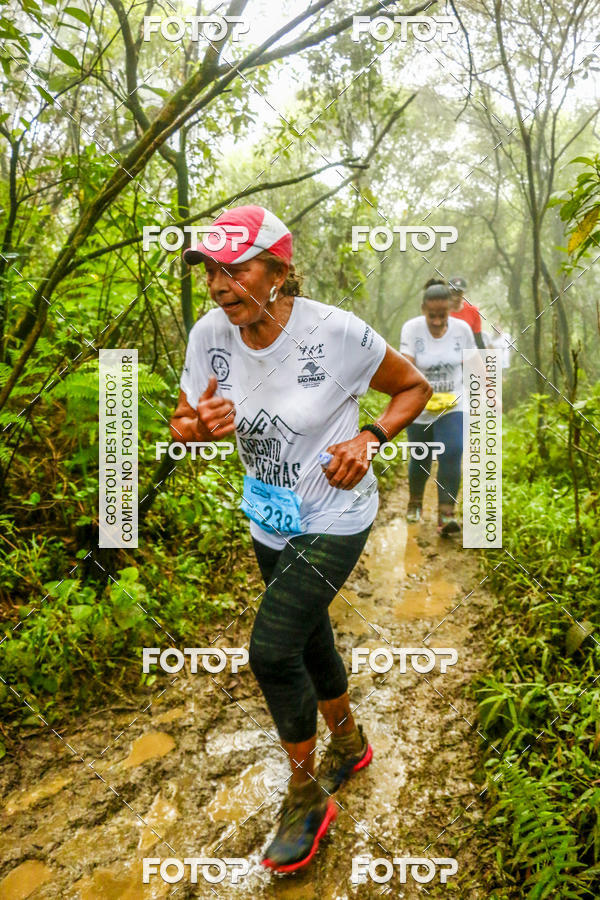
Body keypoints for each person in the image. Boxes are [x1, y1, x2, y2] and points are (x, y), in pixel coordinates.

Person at [169, 205, 431, 873]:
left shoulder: (336, 333)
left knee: (272, 648)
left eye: (239, 268)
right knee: (310, 636)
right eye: (213, 273)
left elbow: (413, 387)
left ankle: (305, 793)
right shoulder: (210, 334)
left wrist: (369, 438)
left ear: (281, 271)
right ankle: (349, 743)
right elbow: (182, 418)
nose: (223, 285)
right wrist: (197, 426)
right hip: (268, 516)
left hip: (335, 514)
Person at [400, 279, 476, 535]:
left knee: (452, 451)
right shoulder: (411, 329)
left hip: (453, 403)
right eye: (431, 315)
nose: (436, 320)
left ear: (449, 311)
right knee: (421, 456)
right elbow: (406, 367)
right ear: (423, 309)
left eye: (442, 315)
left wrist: (488, 394)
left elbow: (472, 363)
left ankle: (446, 514)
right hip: (420, 404)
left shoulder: (462, 329)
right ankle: (415, 502)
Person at [448, 275, 486, 349]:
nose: (455, 297)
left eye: (459, 293)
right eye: (453, 293)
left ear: (463, 293)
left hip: (466, 355)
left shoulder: (473, 311)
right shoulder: (440, 310)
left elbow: (478, 340)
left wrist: (486, 359)